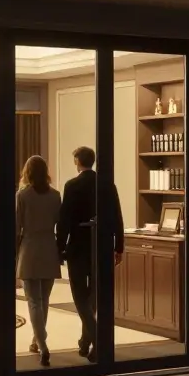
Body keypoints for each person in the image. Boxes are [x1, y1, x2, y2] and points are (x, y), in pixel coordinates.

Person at [56, 146, 124, 363]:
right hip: (102, 245)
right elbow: (117, 216)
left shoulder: (72, 185)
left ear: (78, 161)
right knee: (94, 295)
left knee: (79, 296)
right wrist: (119, 246)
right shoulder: (107, 184)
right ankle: (86, 342)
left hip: (78, 246)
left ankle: (96, 339)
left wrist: (59, 246)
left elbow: (65, 219)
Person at [15, 156, 62, 367]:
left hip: (30, 248)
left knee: (34, 301)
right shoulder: (55, 195)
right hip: (49, 247)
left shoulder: (23, 195)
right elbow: (59, 222)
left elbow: (17, 226)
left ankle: (42, 346)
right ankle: (37, 340)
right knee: (44, 300)